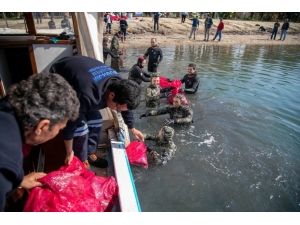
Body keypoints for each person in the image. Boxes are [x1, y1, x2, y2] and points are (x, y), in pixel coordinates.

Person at [0, 72, 80, 211]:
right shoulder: (7, 162)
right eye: (59, 129)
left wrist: (20, 181)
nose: (56, 134)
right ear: (42, 126)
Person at [49, 55, 144, 169]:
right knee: (81, 128)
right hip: (59, 78)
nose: (118, 111)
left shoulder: (119, 84)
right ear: (112, 95)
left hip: (82, 72)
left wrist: (132, 128)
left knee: (97, 119)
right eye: (117, 109)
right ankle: (80, 160)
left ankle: (90, 153)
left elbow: (124, 107)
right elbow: (70, 123)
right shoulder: (87, 96)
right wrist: (69, 152)